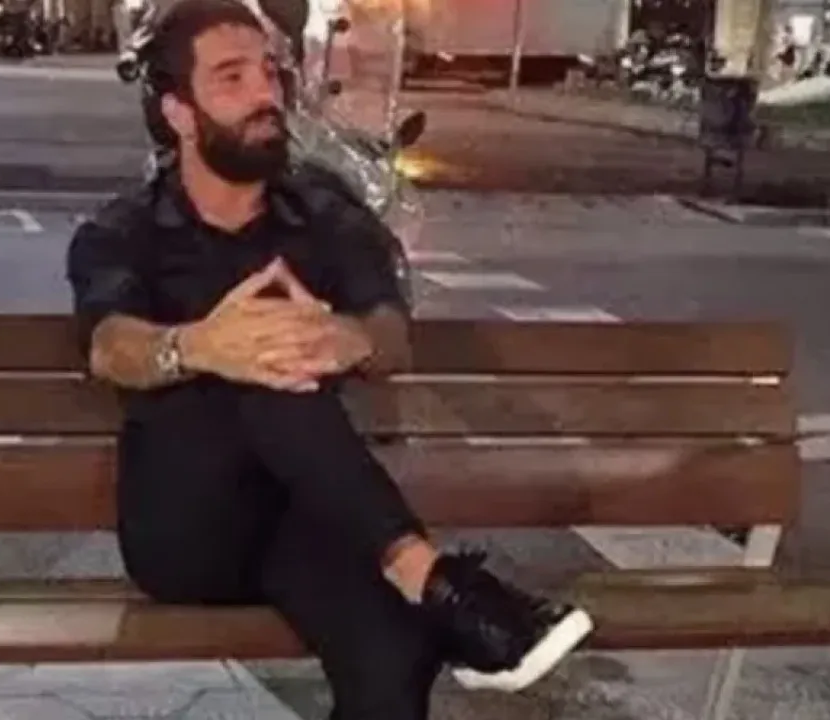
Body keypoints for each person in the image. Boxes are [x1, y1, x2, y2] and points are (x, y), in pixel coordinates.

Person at [64, 0, 593, 717]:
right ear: (179, 112)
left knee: (394, 655)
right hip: (188, 532)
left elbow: (390, 332)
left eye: (269, 72)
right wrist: (197, 346)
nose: (266, 93)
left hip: (308, 520)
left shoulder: (324, 216)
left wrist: (350, 338)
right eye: (232, 78)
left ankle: (427, 586)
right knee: (267, 362)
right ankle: (432, 577)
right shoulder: (125, 231)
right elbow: (109, 346)